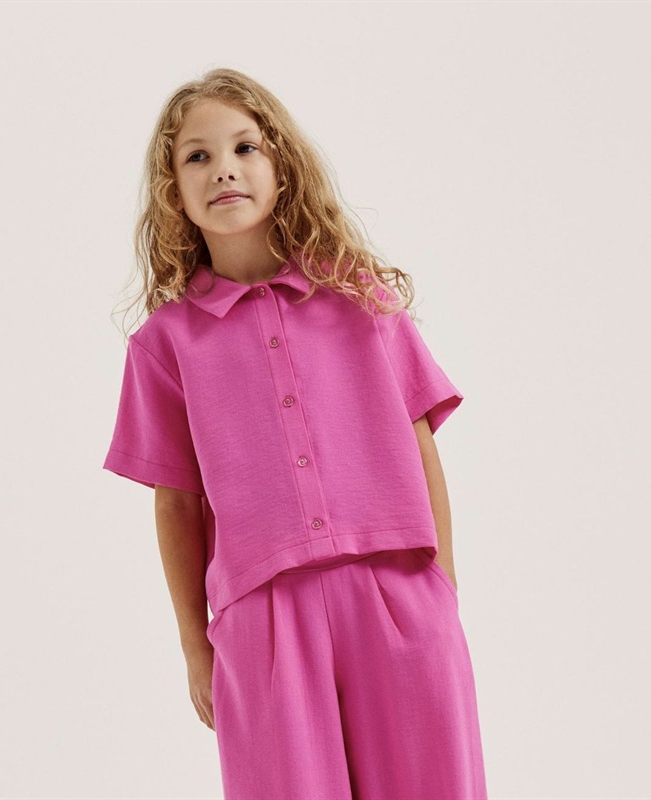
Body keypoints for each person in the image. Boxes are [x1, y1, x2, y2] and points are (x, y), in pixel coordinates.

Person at [103, 67, 488, 800]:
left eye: (245, 147)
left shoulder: (361, 298)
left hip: (397, 592)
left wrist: (443, 587)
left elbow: (420, 443)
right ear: (173, 191)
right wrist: (195, 646)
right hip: (263, 617)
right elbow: (176, 502)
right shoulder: (165, 345)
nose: (224, 169)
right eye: (197, 156)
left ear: (281, 167)